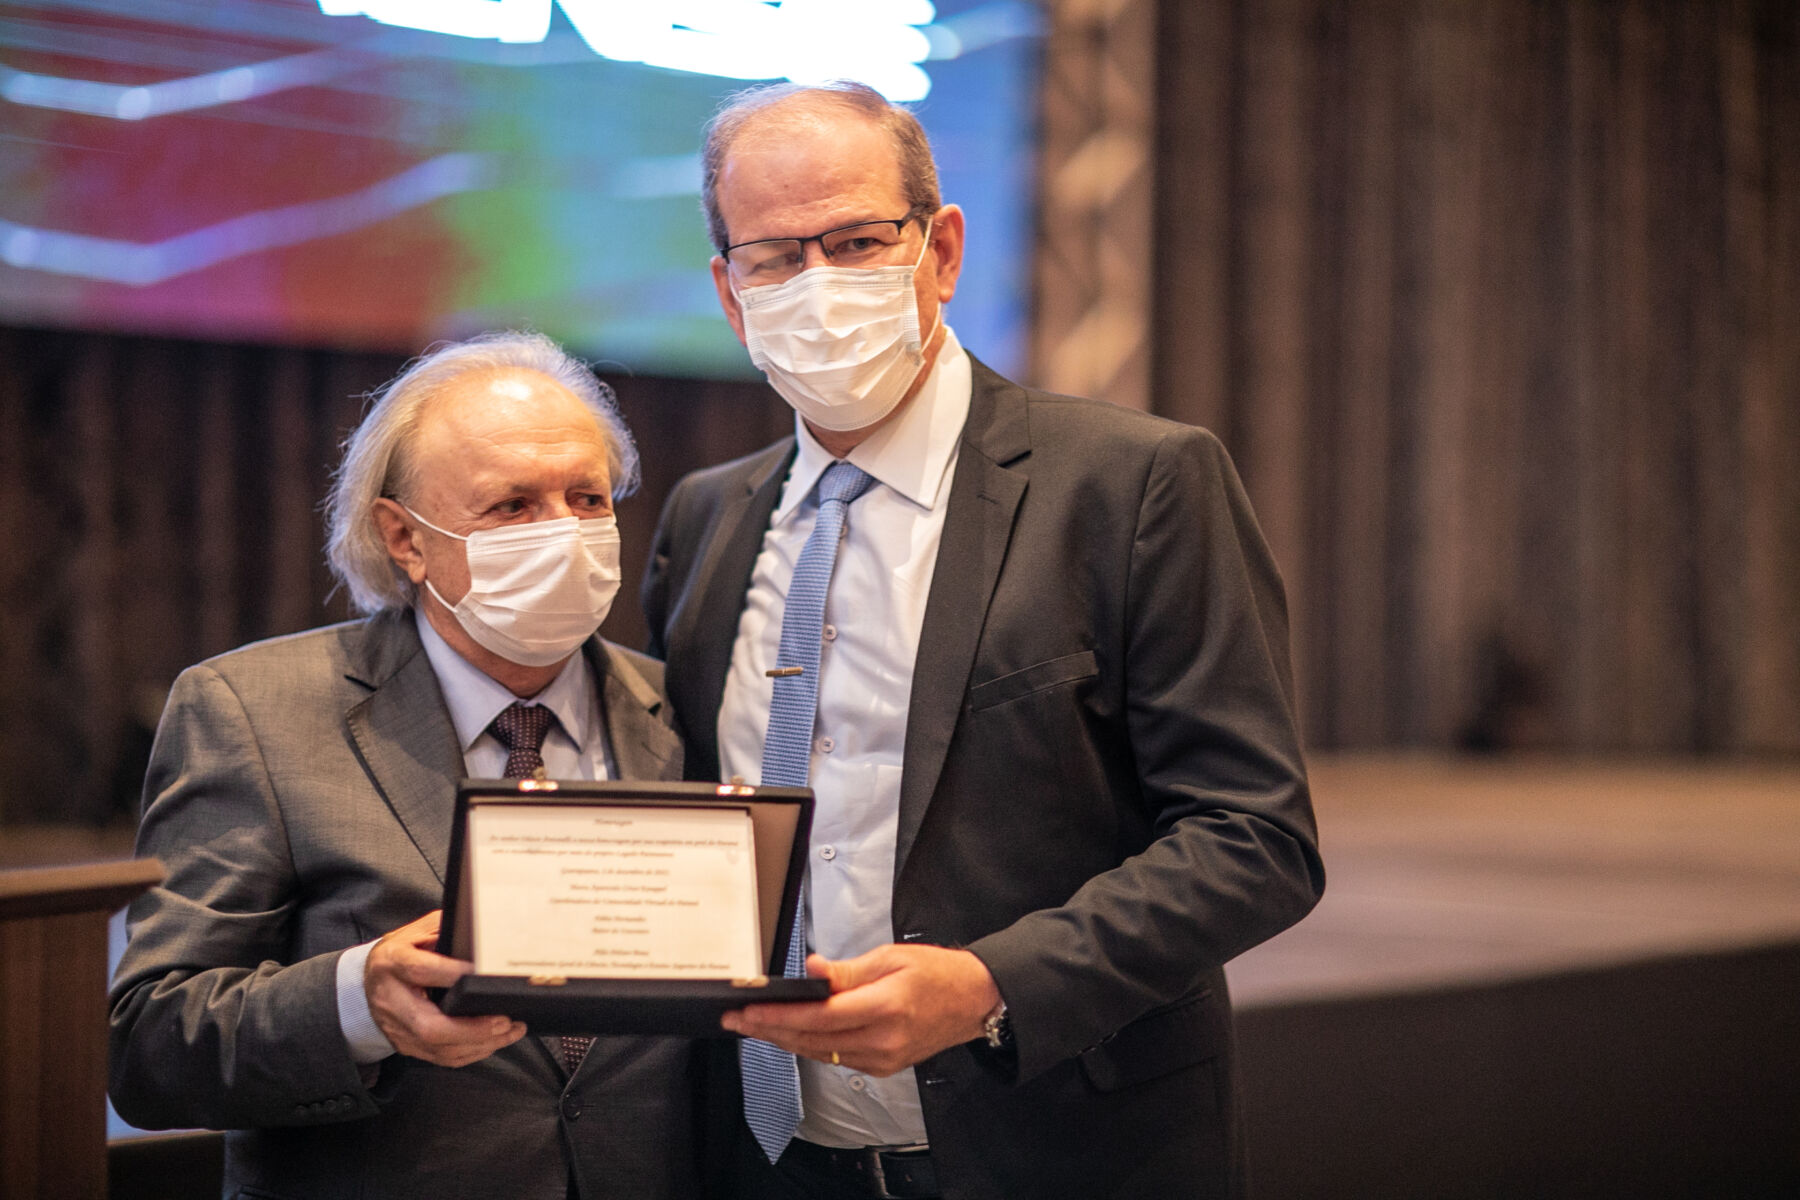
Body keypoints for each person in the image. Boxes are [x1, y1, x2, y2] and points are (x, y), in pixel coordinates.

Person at [641, 83, 1327, 1200]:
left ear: (942, 251)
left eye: (857, 242)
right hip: (767, 1162)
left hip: (1058, 1152)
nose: (818, 284)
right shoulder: (706, 517)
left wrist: (988, 986)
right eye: (775, 258)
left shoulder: (1134, 485)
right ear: (729, 292)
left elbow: (1255, 839)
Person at [109, 332, 701, 1199]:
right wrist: (357, 1004)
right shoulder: (251, 711)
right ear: (405, 538)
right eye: (512, 505)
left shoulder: (684, 709)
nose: (564, 533)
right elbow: (149, 1046)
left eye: (587, 498)